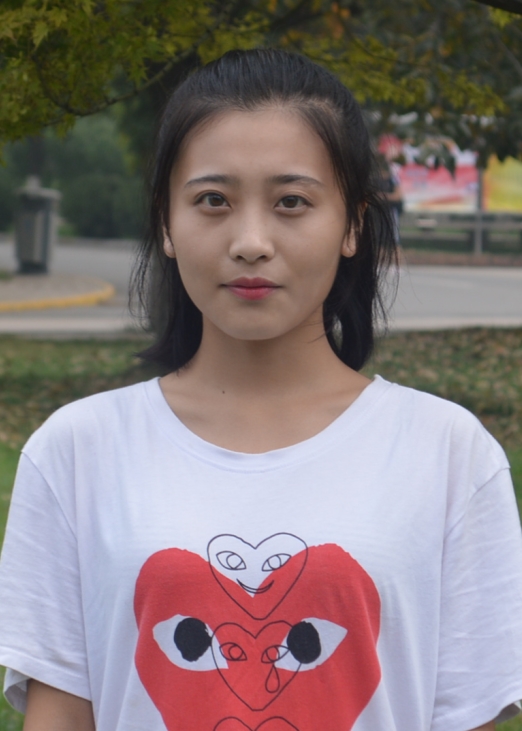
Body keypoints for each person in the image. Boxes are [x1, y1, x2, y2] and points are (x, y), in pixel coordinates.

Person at [0, 49, 521, 731]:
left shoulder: (449, 454)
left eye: (291, 202)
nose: (250, 241)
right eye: (213, 200)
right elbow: (62, 716)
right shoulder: (75, 451)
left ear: (353, 224)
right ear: (166, 222)